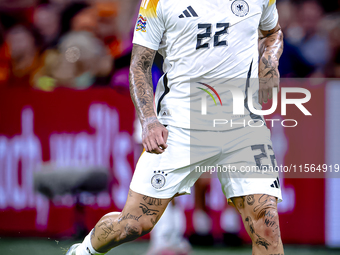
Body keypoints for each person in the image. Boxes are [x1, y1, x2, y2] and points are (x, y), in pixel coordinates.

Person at [67, 0, 284, 254]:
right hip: (181, 125)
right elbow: (139, 65)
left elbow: (273, 32)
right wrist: (149, 120)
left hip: (243, 124)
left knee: (266, 224)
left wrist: (269, 62)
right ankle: (83, 251)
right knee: (134, 223)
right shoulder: (158, 3)